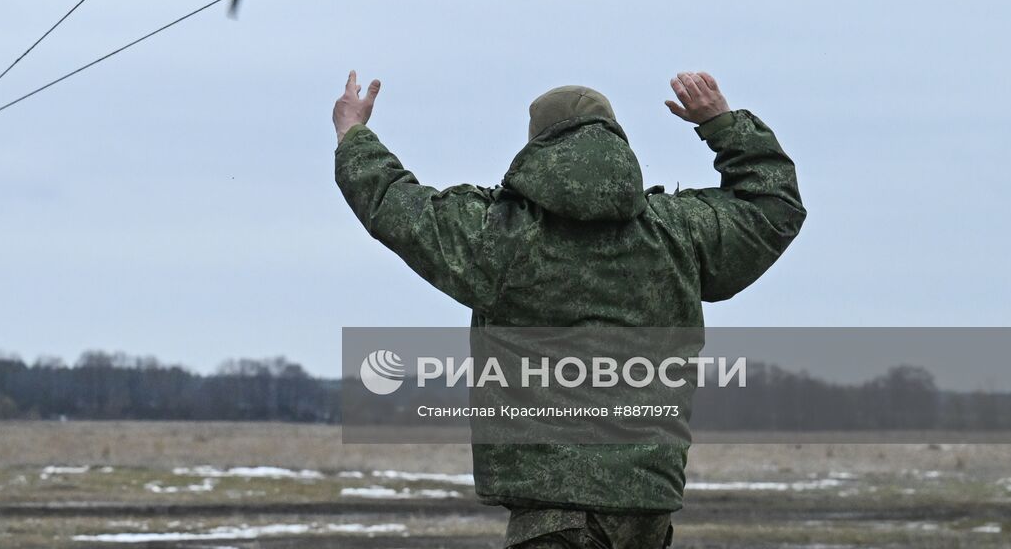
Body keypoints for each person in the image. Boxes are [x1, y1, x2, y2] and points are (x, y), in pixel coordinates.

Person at [332, 71, 806, 549]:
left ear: (537, 145)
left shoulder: (499, 236)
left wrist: (354, 135)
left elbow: (395, 206)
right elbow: (773, 206)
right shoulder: (680, 232)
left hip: (551, 518)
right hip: (649, 509)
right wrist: (721, 124)